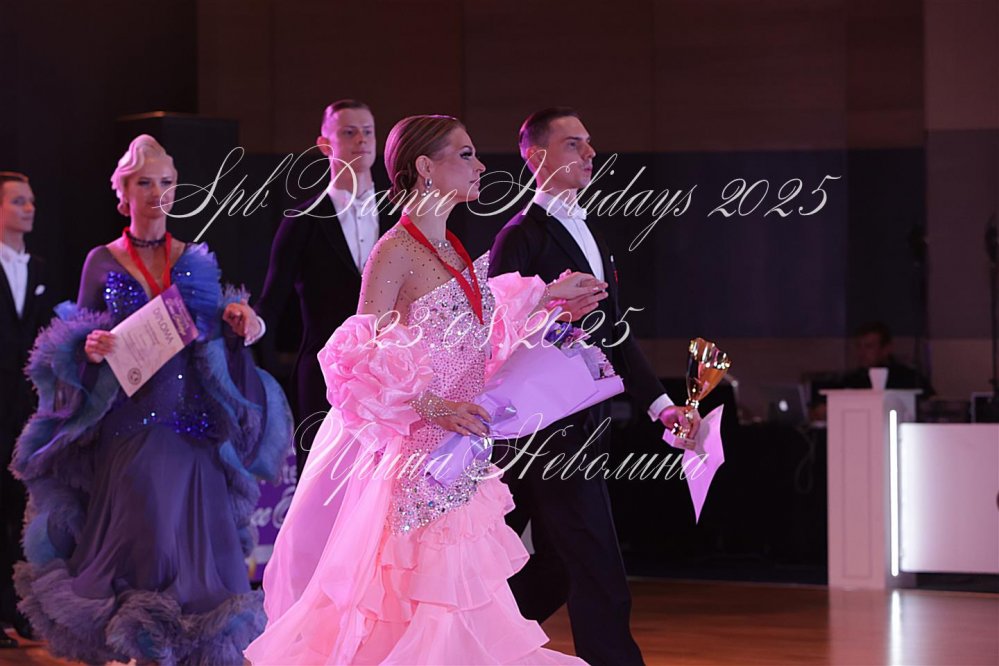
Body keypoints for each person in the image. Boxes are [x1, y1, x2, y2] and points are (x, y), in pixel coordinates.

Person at [244, 115, 606, 665]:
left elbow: (480, 334)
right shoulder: (394, 251)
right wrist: (433, 406)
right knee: (420, 614)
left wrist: (549, 298)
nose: (480, 165)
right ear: (425, 167)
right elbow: (353, 359)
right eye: (465, 154)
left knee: (458, 615)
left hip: (459, 459)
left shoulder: (453, 248)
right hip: (418, 465)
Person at [10, 135, 292, 664]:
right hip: (128, 423)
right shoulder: (101, 260)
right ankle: (146, 646)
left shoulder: (195, 260)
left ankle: (173, 650)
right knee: (145, 539)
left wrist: (238, 322)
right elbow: (76, 338)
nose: (156, 192)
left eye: (166, 182)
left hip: (191, 425)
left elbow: (214, 337)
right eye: (144, 182)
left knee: (192, 555)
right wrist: (88, 346)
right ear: (123, 193)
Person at [488, 107, 699, 665]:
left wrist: (661, 405)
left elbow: (614, 333)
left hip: (583, 422)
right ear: (537, 157)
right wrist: (550, 312)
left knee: (559, 565)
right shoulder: (519, 237)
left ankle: (481, 645)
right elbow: (497, 336)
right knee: (596, 564)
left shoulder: (589, 231)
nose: (589, 153)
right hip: (544, 430)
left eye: (588, 143)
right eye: (573, 145)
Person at [256, 99, 391, 478]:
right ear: (325, 144)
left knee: (381, 482)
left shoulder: (399, 213)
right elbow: (271, 304)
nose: (361, 140)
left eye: (368, 132)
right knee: (323, 480)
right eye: (349, 132)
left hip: (390, 375)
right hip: (322, 377)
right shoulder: (302, 220)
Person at [0, 171, 50, 648]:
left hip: (24, 412)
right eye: (18, 201)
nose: (28, 208)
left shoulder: (39, 269)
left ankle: (18, 609)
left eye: (31, 200)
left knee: (21, 510)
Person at [841, 321, 935, 395]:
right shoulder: (851, 382)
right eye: (858, 346)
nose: (861, 352)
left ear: (886, 349)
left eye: (869, 346)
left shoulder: (909, 379)